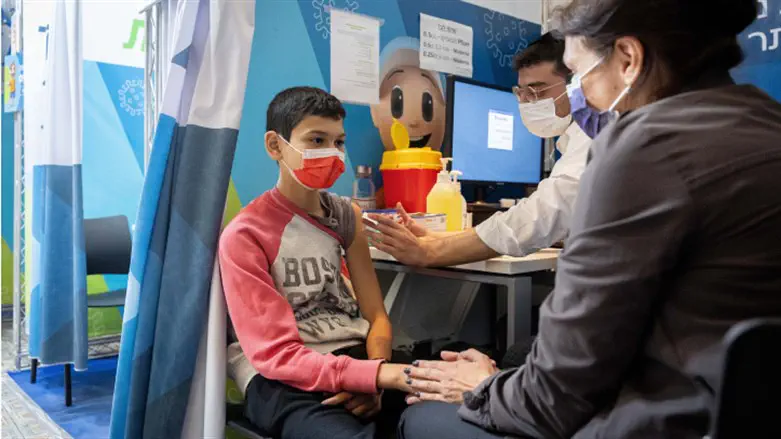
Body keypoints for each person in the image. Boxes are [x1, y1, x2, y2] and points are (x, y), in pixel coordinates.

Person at [397, 0, 781, 438]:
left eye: (578, 74)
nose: (580, 93)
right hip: (731, 410)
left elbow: (549, 401)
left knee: (423, 415)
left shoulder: (642, 149)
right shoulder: (767, 125)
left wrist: (484, 386)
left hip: (660, 422)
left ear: (629, 60)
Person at [219, 87, 414, 439]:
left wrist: (374, 373)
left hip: (355, 357)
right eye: (317, 139)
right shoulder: (245, 234)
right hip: (281, 376)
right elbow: (276, 355)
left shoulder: (345, 216)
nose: (332, 153)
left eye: (338, 142)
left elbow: (376, 317)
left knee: (453, 411)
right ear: (275, 146)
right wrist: (375, 376)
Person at [364, 33, 593, 267]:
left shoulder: (594, 135)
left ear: (577, 85)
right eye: (522, 93)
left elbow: (543, 215)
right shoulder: (577, 136)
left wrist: (431, 251)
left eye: (538, 92)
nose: (527, 102)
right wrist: (433, 237)